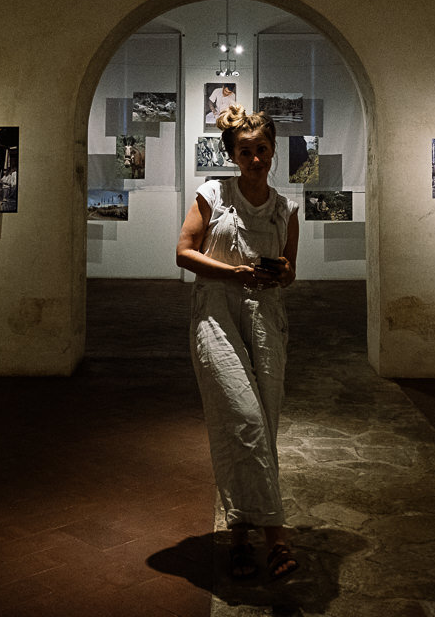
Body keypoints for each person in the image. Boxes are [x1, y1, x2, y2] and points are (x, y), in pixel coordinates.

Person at [176, 104, 301, 581]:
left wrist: (282, 273)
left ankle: (241, 534)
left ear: (272, 151)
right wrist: (234, 273)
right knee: (241, 418)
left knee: (261, 424)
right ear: (232, 154)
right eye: (245, 151)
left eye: (262, 150)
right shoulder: (212, 194)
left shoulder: (285, 208)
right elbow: (184, 252)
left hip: (266, 317)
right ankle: (277, 535)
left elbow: (289, 273)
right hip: (215, 314)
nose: (255, 159)